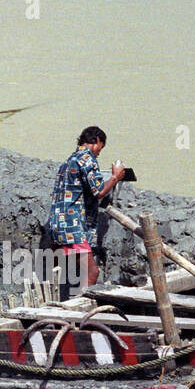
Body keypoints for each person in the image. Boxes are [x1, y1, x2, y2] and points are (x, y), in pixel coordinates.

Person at [45, 125, 126, 291]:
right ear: (96, 141)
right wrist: (115, 177)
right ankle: (81, 312)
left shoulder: (69, 161)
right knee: (91, 273)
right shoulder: (87, 158)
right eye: (100, 150)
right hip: (72, 227)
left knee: (51, 273)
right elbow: (99, 191)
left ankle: (44, 306)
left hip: (57, 226)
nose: (98, 154)